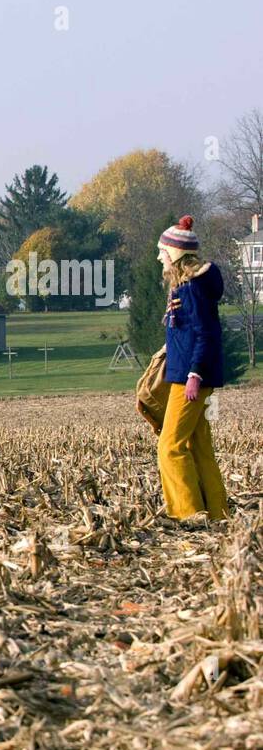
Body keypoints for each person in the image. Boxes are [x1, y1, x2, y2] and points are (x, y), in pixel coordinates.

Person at [156, 215, 228, 521]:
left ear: (175, 254)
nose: (159, 256)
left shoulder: (191, 289)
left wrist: (194, 375)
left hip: (190, 380)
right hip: (194, 375)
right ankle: (217, 513)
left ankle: (187, 514)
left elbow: (206, 332)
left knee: (169, 447)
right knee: (199, 444)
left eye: (162, 251)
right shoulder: (189, 287)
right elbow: (189, 331)